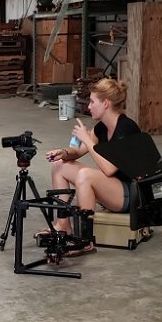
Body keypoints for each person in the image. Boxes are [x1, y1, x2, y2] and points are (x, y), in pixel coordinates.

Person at [44, 78, 141, 256]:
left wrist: (87, 139)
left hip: (129, 194)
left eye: (92, 101)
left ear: (105, 104)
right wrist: (64, 152)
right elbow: (79, 151)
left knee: (85, 175)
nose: (89, 106)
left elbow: (109, 169)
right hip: (113, 188)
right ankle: (63, 225)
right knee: (60, 166)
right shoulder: (101, 128)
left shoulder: (126, 127)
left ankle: (85, 241)